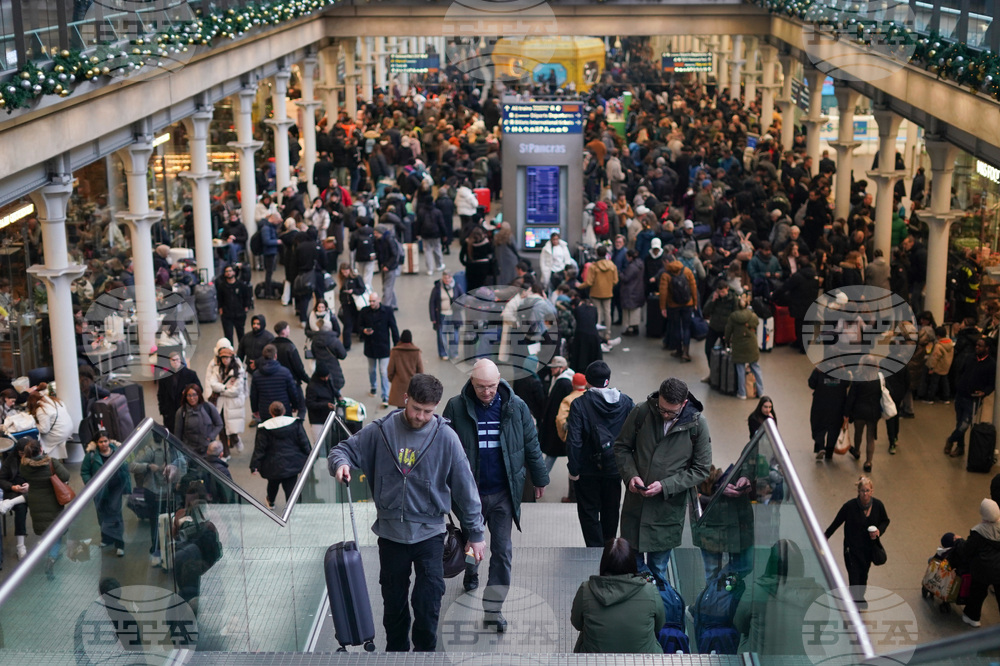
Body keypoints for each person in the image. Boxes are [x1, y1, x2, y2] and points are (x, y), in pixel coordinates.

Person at [329, 373, 487, 652]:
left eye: (429, 411)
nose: (422, 416)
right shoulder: (381, 431)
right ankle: (396, 654)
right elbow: (341, 450)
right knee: (394, 607)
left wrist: (475, 534)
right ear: (406, 399)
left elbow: (466, 489)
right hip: (391, 536)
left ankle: (425, 655)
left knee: (428, 606)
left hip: (430, 536)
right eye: (416, 408)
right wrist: (341, 464)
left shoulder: (446, 437)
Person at [442, 359, 550, 631]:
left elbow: (530, 444)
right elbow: (443, 448)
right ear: (471, 382)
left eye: (491, 386)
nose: (487, 392)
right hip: (469, 496)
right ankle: (471, 569)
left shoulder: (517, 407)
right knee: (470, 543)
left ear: (500, 380)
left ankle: (493, 610)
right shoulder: (456, 407)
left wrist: (540, 478)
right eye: (480, 387)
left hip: (503, 494)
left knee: (502, 552)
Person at [614, 377, 712, 583]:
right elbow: (622, 447)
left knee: (658, 571)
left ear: (684, 404)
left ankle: (657, 611)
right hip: (636, 507)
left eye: (672, 412)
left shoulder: (697, 425)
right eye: (662, 409)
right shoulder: (641, 412)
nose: (665, 415)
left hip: (666, 512)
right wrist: (631, 475)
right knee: (633, 568)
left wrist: (665, 486)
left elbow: (701, 469)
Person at [566, 361, 635, 547]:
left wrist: (574, 470)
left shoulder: (579, 404)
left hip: (587, 469)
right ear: (608, 380)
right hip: (614, 468)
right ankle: (609, 548)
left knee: (588, 511)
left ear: (587, 381)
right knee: (611, 509)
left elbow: (574, 440)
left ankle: (594, 549)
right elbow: (635, 435)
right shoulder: (626, 402)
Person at [570, 537, 665, 654]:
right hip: (642, 660)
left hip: (595, 659)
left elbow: (577, 624)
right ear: (632, 563)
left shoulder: (586, 590)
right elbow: (659, 626)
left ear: (604, 563)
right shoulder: (650, 591)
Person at [733, 539, 826, 654]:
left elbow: (739, 624)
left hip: (763, 658)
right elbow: (819, 629)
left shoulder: (756, 591)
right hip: (803, 656)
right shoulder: (818, 593)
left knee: (746, 633)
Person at [824, 476, 889, 607]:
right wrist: (823, 538)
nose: (865, 494)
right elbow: (836, 523)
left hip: (868, 549)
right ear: (858, 492)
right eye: (862, 491)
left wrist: (878, 532)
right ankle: (854, 601)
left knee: (864, 574)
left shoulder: (878, 505)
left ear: (872, 491)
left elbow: (885, 520)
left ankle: (859, 597)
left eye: (868, 490)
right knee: (854, 576)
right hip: (851, 549)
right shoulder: (849, 507)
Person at [19, 439, 71, 579]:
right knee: (57, 532)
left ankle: (51, 551)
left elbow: (24, 475)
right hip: (52, 501)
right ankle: (51, 557)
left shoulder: (24, 465)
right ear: (41, 449)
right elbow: (66, 476)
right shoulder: (51, 462)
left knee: (45, 530)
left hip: (35, 500)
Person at [251, 402, 312, 509]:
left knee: (273, 484)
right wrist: (310, 456)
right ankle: (292, 509)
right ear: (284, 411)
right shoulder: (295, 423)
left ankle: (271, 501)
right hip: (292, 461)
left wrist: (254, 465)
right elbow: (304, 442)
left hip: (272, 464)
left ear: (270, 412)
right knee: (291, 487)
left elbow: (259, 449)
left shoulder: (264, 428)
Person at [80, 432, 131, 557]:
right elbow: (85, 471)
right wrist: (90, 484)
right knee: (102, 514)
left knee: (115, 514)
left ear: (110, 441)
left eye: (106, 441)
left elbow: (126, 468)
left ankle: (119, 544)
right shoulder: (91, 456)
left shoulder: (118, 452)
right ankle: (107, 539)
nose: (104, 444)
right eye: (101, 442)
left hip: (116, 488)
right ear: (96, 443)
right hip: (100, 490)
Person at [946, 337, 997, 458]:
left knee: (964, 424)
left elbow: (991, 384)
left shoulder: (991, 364)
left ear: (987, 348)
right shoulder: (970, 358)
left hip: (972, 399)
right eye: (977, 345)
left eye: (980, 346)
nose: (977, 347)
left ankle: (951, 439)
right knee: (959, 422)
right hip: (961, 394)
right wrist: (958, 385)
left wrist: (984, 393)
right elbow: (961, 372)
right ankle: (960, 447)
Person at [959, 498, 1000, 627]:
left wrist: (959, 542)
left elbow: (967, 550)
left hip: (983, 570)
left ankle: (973, 617)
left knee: (978, 592)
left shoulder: (979, 531)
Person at [204, 339, 247, 458]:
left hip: (233, 403)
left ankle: (235, 440)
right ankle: (225, 453)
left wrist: (220, 389)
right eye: (222, 357)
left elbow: (236, 390)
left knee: (232, 427)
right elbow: (211, 383)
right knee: (221, 427)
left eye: (227, 357)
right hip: (220, 404)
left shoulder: (238, 368)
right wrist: (224, 388)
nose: (224, 359)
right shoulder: (216, 367)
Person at [358, 291, 400, 409]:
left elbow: (393, 328)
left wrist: (397, 344)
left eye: (373, 301)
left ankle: (385, 395)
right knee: (371, 369)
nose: (371, 303)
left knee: (383, 371)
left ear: (378, 301)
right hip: (370, 347)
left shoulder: (387, 311)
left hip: (383, 346)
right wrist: (364, 331)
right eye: (370, 301)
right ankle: (373, 386)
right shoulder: (364, 311)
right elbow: (359, 326)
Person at [844, 357, 882, 473]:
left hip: (859, 411)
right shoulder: (879, 379)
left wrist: (846, 413)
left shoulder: (858, 379)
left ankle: (857, 451)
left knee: (858, 433)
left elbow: (851, 397)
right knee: (870, 437)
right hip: (873, 412)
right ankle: (868, 462)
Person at [250, 344, 305, 421]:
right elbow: (292, 391)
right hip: (283, 409)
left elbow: (254, 395)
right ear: (275, 356)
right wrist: (295, 405)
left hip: (265, 410)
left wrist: (254, 409)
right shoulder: (285, 372)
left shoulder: (256, 375)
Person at [724, 296, 764, 400]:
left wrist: (727, 339)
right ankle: (760, 392)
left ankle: (742, 393)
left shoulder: (733, 317)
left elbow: (728, 331)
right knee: (755, 367)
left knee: (740, 369)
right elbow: (756, 323)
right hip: (751, 344)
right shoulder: (752, 315)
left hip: (739, 345)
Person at [0, 438, 32, 560]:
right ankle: (20, 546)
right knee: (21, 508)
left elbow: (42, 477)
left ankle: (8, 503)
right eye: (21, 454)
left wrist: (30, 485)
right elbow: (1, 479)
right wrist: (13, 487)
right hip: (15, 490)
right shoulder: (10, 460)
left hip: (32, 489)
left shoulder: (35, 457)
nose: (23, 456)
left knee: (30, 497)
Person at [809, 368, 850, 461]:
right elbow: (847, 384)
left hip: (820, 404)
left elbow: (811, 384)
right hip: (838, 406)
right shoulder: (843, 372)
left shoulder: (818, 371)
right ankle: (829, 452)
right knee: (834, 429)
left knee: (819, 426)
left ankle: (820, 447)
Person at [174, 384, 223, 457]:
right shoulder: (181, 412)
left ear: (199, 395)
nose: (192, 398)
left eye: (194, 395)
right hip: (190, 452)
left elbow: (219, 424)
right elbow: (177, 434)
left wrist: (211, 436)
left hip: (207, 450)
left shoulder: (208, 407)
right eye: (189, 395)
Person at [157, 352, 202, 430]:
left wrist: (189, 391)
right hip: (170, 414)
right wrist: (163, 411)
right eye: (173, 360)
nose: (175, 362)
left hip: (187, 411)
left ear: (181, 360)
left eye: (177, 359)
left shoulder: (191, 374)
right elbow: (160, 395)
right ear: (169, 362)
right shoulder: (164, 378)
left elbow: (200, 389)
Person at [583, 245, 619, 339]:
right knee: (607, 312)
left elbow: (589, 282)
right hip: (607, 292)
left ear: (597, 254)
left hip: (595, 292)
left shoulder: (593, 266)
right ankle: (608, 333)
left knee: (597, 312)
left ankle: (597, 333)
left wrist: (579, 286)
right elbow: (615, 280)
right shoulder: (612, 265)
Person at [27, 386, 72, 461]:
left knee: (38, 439)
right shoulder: (55, 401)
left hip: (59, 433)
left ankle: (42, 460)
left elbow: (44, 429)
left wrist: (33, 423)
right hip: (68, 429)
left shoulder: (41, 409)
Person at [429, 271, 464, 361]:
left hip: (454, 315)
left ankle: (453, 353)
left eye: (449, 278)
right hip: (441, 316)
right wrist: (433, 318)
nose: (447, 280)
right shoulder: (437, 288)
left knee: (454, 335)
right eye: (445, 278)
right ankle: (443, 353)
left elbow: (463, 298)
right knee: (441, 336)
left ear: (452, 278)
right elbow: (432, 303)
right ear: (442, 278)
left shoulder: (456, 286)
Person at [215, 263, 253, 345]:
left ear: (234, 272)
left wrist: (246, 306)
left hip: (239, 314)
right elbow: (219, 298)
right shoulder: (222, 286)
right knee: (228, 335)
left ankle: (241, 353)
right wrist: (220, 309)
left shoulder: (241, 285)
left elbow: (247, 296)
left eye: (230, 271)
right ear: (224, 274)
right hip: (227, 315)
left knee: (241, 334)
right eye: (226, 271)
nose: (228, 273)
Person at [387, 330, 424, 408]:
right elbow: (420, 371)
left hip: (398, 386)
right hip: (412, 386)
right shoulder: (416, 352)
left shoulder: (395, 351)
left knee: (400, 411)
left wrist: (393, 381)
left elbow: (390, 370)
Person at [305, 362, 340, 441]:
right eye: (324, 377)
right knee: (319, 441)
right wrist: (325, 405)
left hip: (328, 416)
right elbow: (310, 404)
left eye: (327, 376)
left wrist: (338, 396)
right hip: (317, 420)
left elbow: (332, 389)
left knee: (329, 440)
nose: (326, 378)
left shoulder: (327, 379)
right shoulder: (312, 387)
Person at [337, 263, 367, 351]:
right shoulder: (343, 279)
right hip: (347, 304)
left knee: (359, 320)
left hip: (357, 304)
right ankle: (346, 345)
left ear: (349, 270)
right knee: (347, 324)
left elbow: (362, 289)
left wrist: (353, 291)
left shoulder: (356, 278)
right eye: (343, 272)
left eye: (346, 272)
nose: (345, 274)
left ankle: (361, 335)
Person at [272, 320, 311, 389]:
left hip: (276, 382)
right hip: (291, 382)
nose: (289, 331)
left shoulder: (271, 346)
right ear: (284, 332)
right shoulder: (290, 347)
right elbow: (298, 367)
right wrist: (308, 380)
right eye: (288, 329)